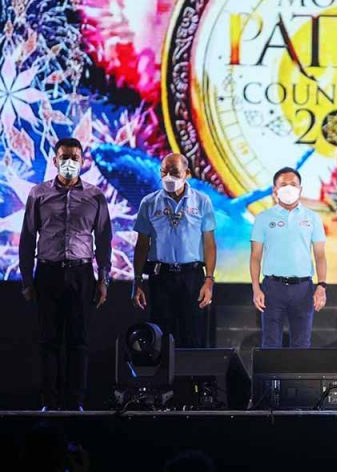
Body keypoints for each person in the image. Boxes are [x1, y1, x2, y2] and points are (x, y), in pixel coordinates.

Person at [19, 138, 112, 411]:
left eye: (75, 157)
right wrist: (27, 280)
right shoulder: (38, 194)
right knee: (48, 341)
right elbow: (27, 238)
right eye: (64, 157)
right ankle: (49, 402)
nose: (69, 162)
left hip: (81, 273)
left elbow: (104, 240)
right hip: (47, 273)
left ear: (83, 161)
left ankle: (75, 402)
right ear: (55, 160)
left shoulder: (95, 196)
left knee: (78, 341)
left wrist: (103, 279)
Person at [132, 153, 217, 348]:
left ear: (187, 173)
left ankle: (192, 370)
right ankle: (164, 369)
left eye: (175, 172)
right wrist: (137, 281)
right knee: (161, 336)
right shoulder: (149, 202)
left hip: (192, 276)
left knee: (193, 335)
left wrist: (209, 280)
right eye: (164, 172)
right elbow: (142, 245)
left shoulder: (202, 201)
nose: (169, 177)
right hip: (161, 277)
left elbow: (209, 243)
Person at [250, 167, 327, 348]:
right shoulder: (263, 218)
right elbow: (255, 256)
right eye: (283, 184)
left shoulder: (313, 218)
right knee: (270, 343)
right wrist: (256, 288)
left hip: (303, 288)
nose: (289, 188)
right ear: (275, 190)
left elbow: (320, 255)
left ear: (300, 189)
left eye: (293, 184)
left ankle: (298, 370)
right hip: (272, 288)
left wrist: (322, 286)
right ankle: (270, 370)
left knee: (302, 344)